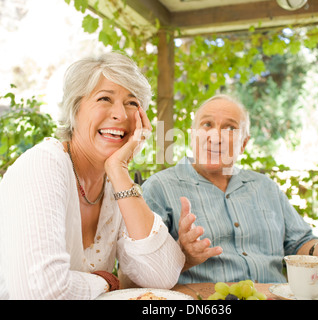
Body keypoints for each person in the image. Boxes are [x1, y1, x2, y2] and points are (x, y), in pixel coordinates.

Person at [0, 52, 185, 299]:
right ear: (75, 110)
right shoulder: (44, 163)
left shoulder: (112, 182)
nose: (120, 114)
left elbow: (162, 276)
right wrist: (104, 282)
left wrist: (119, 172)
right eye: (105, 98)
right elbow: (40, 292)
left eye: (132, 103)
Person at [142, 94, 318, 284]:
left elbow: (298, 243)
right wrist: (183, 256)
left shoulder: (266, 188)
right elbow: (142, 270)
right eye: (207, 124)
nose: (216, 136)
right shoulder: (160, 187)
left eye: (230, 128)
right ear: (193, 136)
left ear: (243, 143)